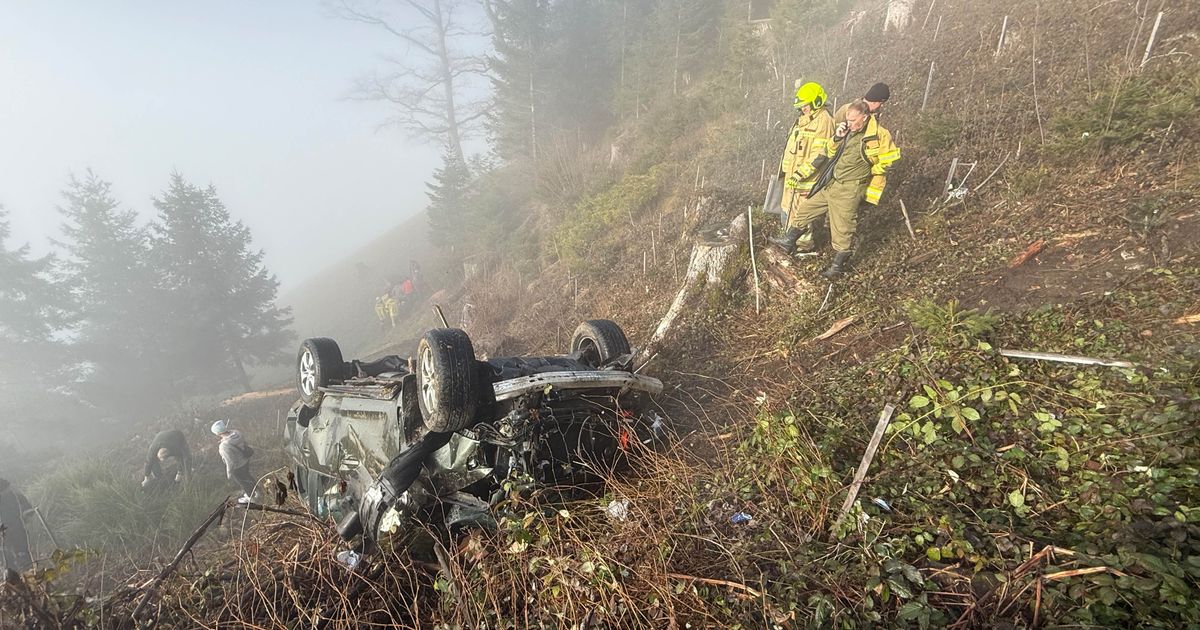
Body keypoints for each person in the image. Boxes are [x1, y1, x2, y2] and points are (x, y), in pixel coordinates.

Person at [770, 99, 901, 278]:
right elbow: (829, 152)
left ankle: (837, 267)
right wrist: (837, 137)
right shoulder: (847, 131)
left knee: (842, 228)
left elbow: (890, 160)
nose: (850, 123)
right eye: (848, 119)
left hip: (850, 188)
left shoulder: (878, 134)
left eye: (853, 120)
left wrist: (871, 171)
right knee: (806, 209)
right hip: (832, 184)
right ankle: (788, 241)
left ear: (865, 117)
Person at [778, 82, 835, 253]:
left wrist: (800, 174)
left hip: (806, 180)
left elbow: (819, 155)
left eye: (805, 105)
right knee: (787, 210)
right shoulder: (803, 121)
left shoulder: (823, 121)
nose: (803, 109)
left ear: (816, 102)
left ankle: (803, 248)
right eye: (801, 106)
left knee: (801, 215)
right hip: (791, 178)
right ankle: (788, 242)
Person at [211, 420, 258, 504]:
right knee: (247, 476)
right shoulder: (237, 433)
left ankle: (251, 498)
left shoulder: (224, 446)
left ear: (217, 433)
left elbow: (230, 461)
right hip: (245, 460)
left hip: (237, 466)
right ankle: (257, 491)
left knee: (243, 482)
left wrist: (229, 473)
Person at [0, 478, 33, 571]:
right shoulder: (11, 493)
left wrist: (26, 515)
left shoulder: (13, 494)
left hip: (16, 527)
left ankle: (27, 573)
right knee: (7, 558)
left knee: (22, 553)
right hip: (6, 532)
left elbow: (28, 509)